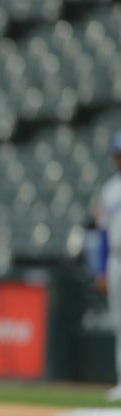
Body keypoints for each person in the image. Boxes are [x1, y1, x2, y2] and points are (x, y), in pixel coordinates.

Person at [95, 131, 121, 402]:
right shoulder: (109, 189)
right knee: (119, 323)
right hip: (116, 258)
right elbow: (101, 233)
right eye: (117, 153)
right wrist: (100, 268)